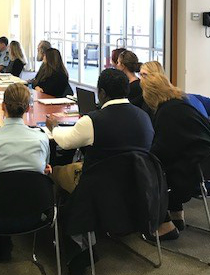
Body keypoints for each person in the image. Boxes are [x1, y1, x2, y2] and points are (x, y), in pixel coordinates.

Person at [46, 69, 155, 275]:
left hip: (98, 189)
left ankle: (74, 242)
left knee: (55, 171)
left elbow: (66, 142)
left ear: (102, 93)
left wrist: (53, 127)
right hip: (138, 186)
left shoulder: (93, 120)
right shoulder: (144, 117)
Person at [140, 72, 210, 240]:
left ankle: (165, 226)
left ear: (150, 96)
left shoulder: (166, 114)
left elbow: (161, 152)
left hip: (201, 176)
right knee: (174, 163)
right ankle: (177, 216)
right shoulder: (183, 105)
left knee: (150, 171)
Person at [0, 83, 51, 263]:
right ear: (28, 108)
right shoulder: (42, 138)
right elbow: (44, 168)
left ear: (3, 106)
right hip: (33, 212)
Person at [140, 61, 210, 129]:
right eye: (140, 75)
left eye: (145, 75)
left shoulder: (175, 105)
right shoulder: (182, 97)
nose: (141, 79)